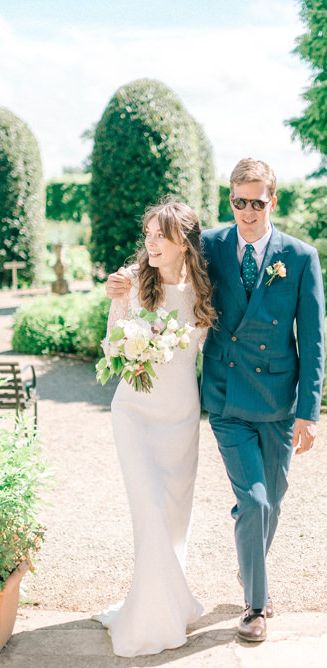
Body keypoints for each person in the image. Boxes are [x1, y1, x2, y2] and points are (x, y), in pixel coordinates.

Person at [106, 158, 326, 643]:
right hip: (226, 400)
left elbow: (311, 340)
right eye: (239, 201)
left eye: (257, 202)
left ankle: (252, 568)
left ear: (274, 201)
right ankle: (256, 605)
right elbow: (160, 255)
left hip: (278, 401)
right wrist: (123, 284)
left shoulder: (301, 256)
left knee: (272, 502)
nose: (247, 211)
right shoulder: (212, 245)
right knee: (253, 501)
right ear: (230, 199)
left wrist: (308, 411)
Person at [94, 200, 217, 657]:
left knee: (171, 520)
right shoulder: (131, 282)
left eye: (159, 236)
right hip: (134, 414)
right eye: (146, 234)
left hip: (182, 418)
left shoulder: (203, 289)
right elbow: (112, 346)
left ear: (183, 240)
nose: (149, 244)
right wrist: (118, 308)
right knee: (147, 511)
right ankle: (150, 617)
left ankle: (170, 599)